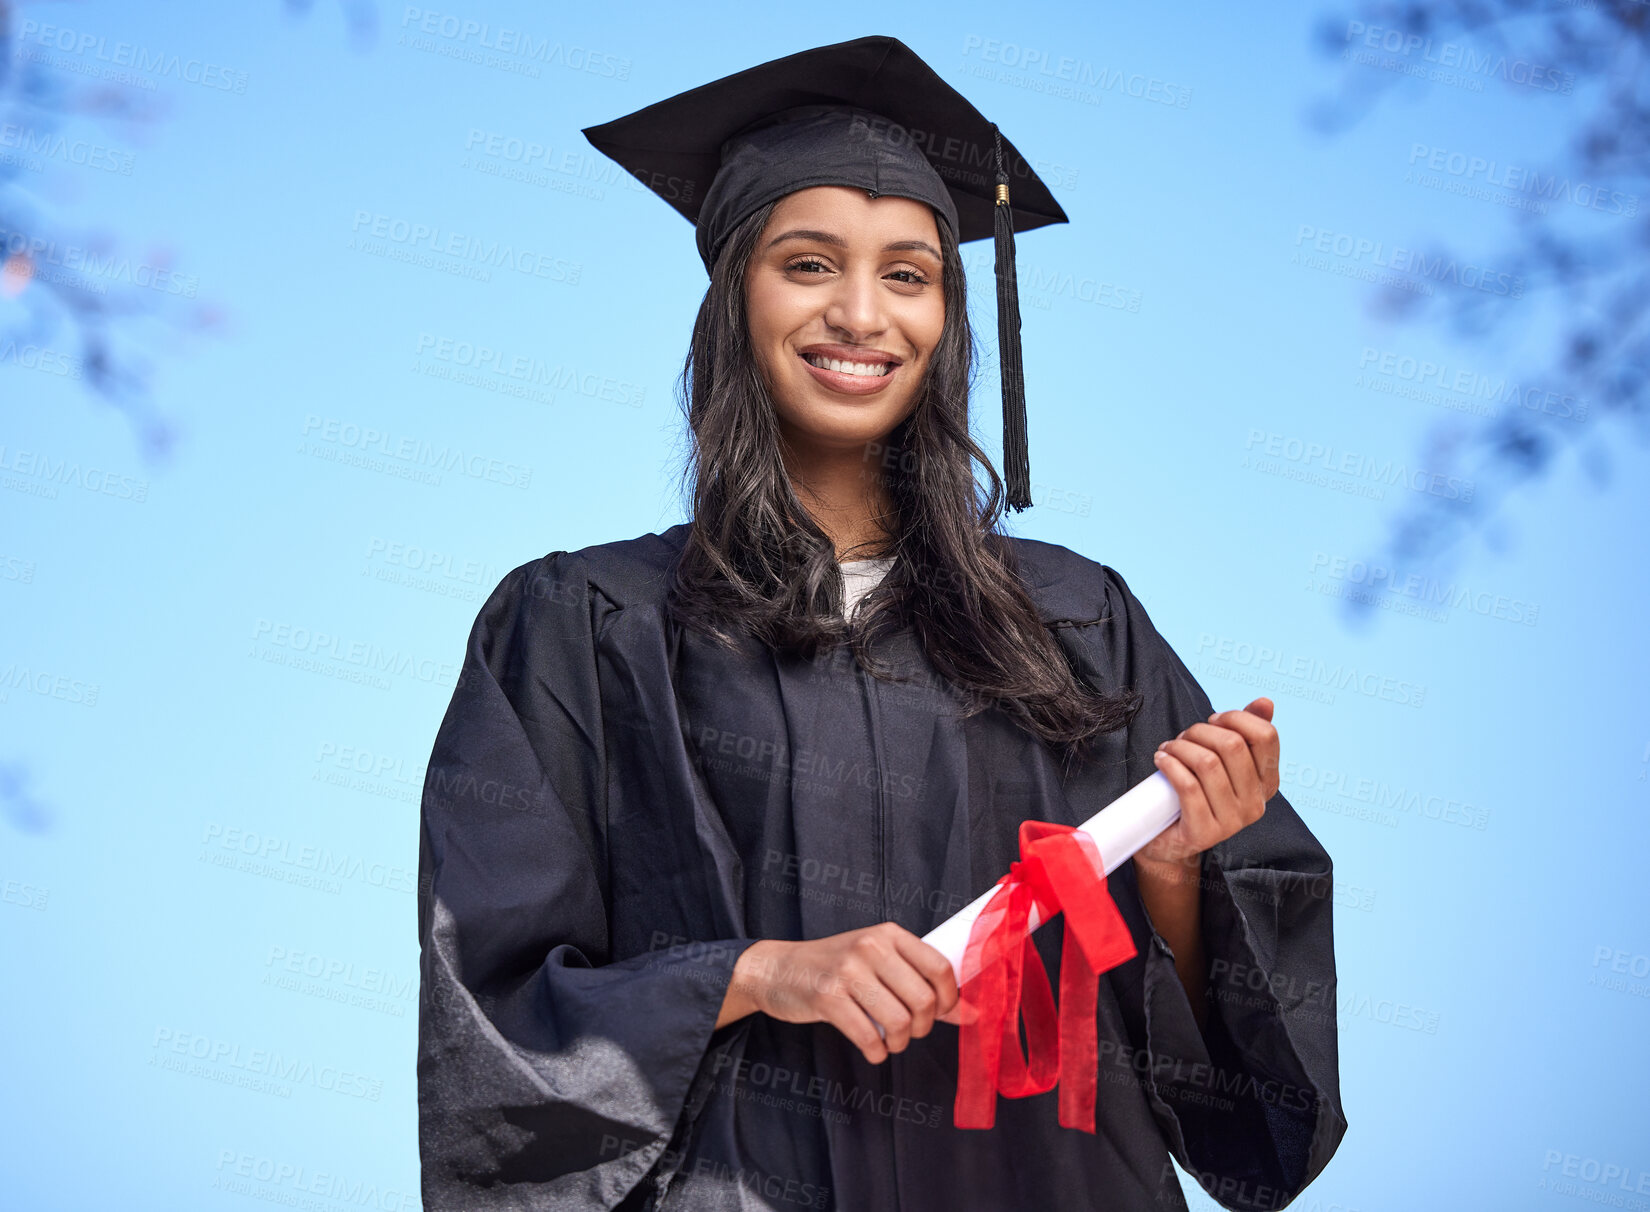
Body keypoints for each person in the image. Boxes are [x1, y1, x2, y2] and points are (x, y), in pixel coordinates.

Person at [416, 34, 1346, 1212]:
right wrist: (761, 974)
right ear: (735, 298)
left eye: (909, 275)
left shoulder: (1072, 621)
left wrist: (1172, 872)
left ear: (949, 316)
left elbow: (1245, 1106)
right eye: (809, 265)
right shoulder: (585, 626)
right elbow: (491, 1010)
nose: (863, 314)